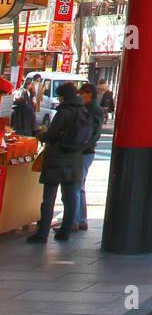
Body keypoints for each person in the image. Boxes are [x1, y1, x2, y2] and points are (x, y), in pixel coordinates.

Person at [26, 82, 90, 244]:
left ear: (63, 96)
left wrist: (41, 134)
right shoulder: (83, 111)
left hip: (57, 158)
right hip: (75, 158)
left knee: (48, 199)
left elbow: (51, 135)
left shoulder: (64, 112)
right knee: (69, 198)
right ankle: (65, 231)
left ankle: (42, 234)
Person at [73, 82, 103, 232]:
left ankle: (76, 220)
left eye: (82, 93)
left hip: (84, 151)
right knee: (80, 186)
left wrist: (81, 146)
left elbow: (94, 132)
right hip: (86, 150)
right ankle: (80, 219)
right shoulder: (89, 108)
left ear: (89, 94)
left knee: (77, 186)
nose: (80, 96)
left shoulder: (92, 109)